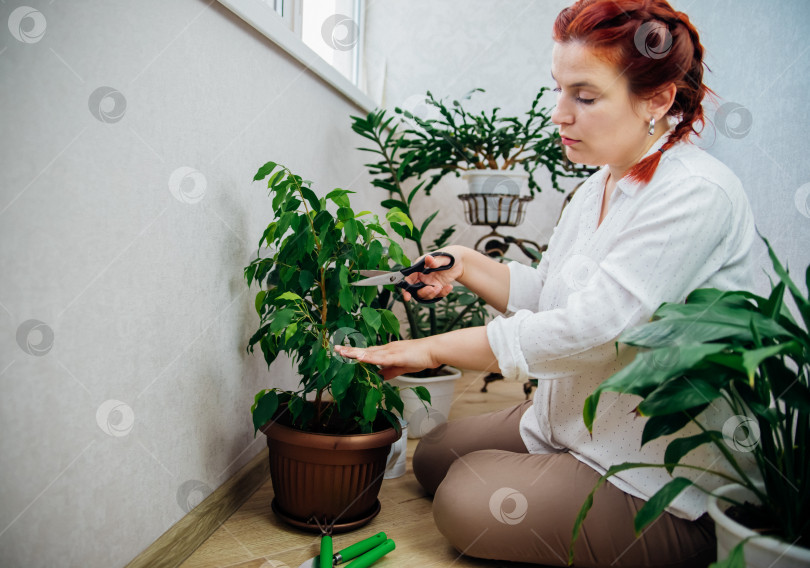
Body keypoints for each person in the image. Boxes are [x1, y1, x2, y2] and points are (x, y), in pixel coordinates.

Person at [335, 0, 756, 566]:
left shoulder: (694, 194)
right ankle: (551, 462)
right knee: (435, 456)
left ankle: (672, 536)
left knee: (465, 499)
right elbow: (556, 290)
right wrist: (465, 263)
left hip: (651, 468)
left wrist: (430, 347)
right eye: (559, 90)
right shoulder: (598, 186)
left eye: (584, 96)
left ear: (657, 99)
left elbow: (594, 331)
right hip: (572, 417)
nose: (559, 114)